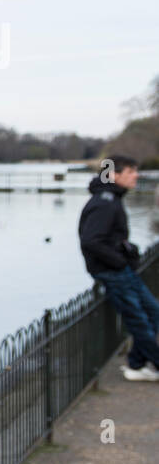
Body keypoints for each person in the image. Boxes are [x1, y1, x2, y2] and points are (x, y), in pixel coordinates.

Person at [79, 155, 159, 381]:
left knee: (152, 313)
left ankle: (137, 365)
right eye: (131, 171)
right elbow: (91, 240)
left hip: (119, 269)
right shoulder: (104, 202)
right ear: (115, 175)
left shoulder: (111, 198)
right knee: (139, 320)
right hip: (112, 271)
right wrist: (119, 261)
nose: (136, 176)